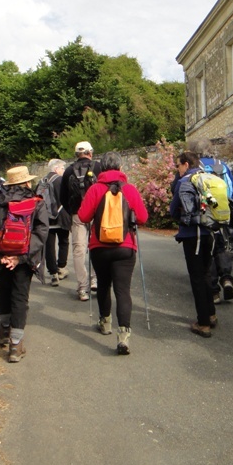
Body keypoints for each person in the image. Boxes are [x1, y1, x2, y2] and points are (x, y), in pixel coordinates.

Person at [77, 152, 148, 354]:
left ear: (102, 169)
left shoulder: (95, 189)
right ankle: (123, 336)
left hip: (99, 247)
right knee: (122, 290)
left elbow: (83, 216)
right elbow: (143, 218)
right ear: (120, 168)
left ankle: (105, 322)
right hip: (125, 248)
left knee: (103, 285)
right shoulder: (130, 190)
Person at [0, 166, 49, 363]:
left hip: (2, 257)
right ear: (27, 183)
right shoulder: (36, 203)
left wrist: (0, 254)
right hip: (23, 260)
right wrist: (21, 257)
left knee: (4, 290)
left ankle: (4, 332)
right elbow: (41, 233)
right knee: (20, 297)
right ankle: (16, 345)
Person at [170, 151, 217, 338]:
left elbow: (173, 210)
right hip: (210, 232)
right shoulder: (209, 178)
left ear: (186, 165)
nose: (177, 169)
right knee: (206, 273)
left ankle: (203, 323)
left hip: (192, 234)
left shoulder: (183, 182)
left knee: (197, 277)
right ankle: (211, 314)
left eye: (178, 165)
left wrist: (180, 217)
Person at [188, 139, 233, 305]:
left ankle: (214, 291)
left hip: (205, 212)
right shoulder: (221, 165)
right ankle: (227, 278)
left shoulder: (196, 168)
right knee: (221, 246)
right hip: (224, 211)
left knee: (209, 250)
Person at [59, 141, 102, 301]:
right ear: (90, 153)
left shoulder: (69, 170)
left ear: (76, 154)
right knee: (96, 246)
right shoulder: (98, 167)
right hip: (96, 214)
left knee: (78, 249)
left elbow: (62, 197)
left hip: (78, 214)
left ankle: (82, 288)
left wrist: (72, 211)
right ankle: (95, 280)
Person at [39, 158, 71, 286]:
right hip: (61, 217)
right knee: (64, 241)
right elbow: (68, 198)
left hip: (46, 218)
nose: (64, 171)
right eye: (63, 168)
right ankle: (61, 267)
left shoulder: (42, 181)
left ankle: (53, 273)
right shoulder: (61, 180)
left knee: (49, 245)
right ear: (57, 169)